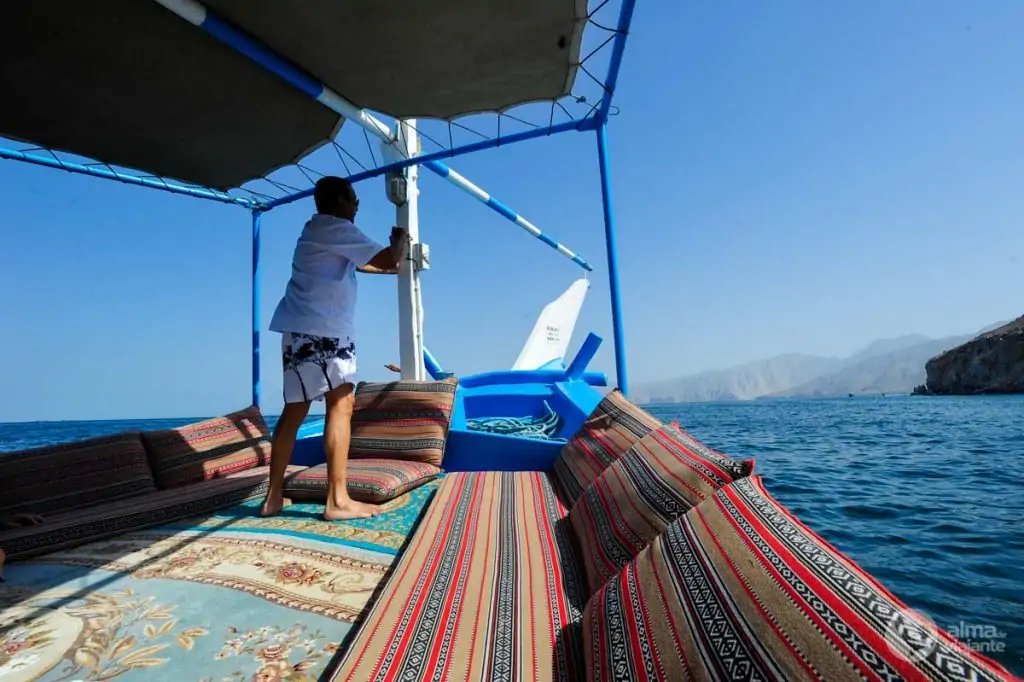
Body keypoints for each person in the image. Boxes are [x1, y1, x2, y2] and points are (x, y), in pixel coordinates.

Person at [261, 176, 408, 520]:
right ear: (339, 201)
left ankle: (272, 498)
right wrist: (399, 241)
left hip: (297, 331)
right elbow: (386, 261)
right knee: (341, 404)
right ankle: (338, 501)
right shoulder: (337, 227)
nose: (357, 206)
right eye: (354, 199)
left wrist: (393, 259)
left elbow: (372, 264)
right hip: (325, 332)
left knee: (293, 411)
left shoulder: (314, 230)